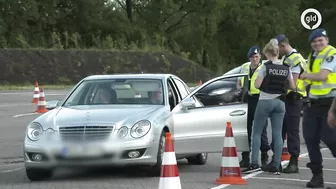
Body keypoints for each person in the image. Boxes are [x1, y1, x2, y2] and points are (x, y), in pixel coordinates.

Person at [241, 39, 296, 174]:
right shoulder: (286, 67)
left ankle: (254, 163)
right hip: (280, 102)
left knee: (257, 132)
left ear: (267, 53)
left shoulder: (266, 67)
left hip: (265, 101)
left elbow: (257, 85)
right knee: (277, 133)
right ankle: (276, 164)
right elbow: (292, 86)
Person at [299, 28, 336, 188]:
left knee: (331, 139)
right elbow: (306, 80)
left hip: (331, 102)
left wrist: (305, 76)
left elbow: (322, 76)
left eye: (320, 40)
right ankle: (317, 176)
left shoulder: (331, 54)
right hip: (313, 103)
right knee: (310, 138)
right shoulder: (312, 56)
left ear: (327, 40)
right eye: (314, 41)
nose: (317, 43)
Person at [270, 34, 307, 173]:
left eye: (277, 48)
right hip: (286, 98)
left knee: (292, 131)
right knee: (280, 129)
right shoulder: (286, 58)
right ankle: (276, 160)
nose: (277, 52)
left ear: (283, 46)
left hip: (294, 98)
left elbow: (293, 83)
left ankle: (293, 162)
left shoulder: (295, 59)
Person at [237, 46, 271, 168]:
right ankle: (245, 157)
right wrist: (240, 90)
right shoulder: (245, 67)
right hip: (247, 99)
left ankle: (264, 155)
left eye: (256, 57)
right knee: (246, 129)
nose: (254, 59)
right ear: (249, 57)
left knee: (261, 129)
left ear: (260, 57)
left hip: (260, 99)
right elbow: (239, 82)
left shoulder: (264, 68)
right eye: (252, 57)